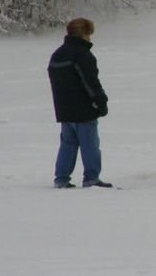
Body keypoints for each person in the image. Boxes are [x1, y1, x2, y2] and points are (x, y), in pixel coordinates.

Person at [47, 18, 112, 188]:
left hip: (64, 110)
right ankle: (91, 178)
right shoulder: (83, 54)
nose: (90, 38)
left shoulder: (58, 54)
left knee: (67, 144)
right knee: (90, 145)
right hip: (84, 109)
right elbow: (90, 82)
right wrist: (100, 101)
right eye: (89, 34)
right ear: (84, 33)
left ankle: (61, 178)